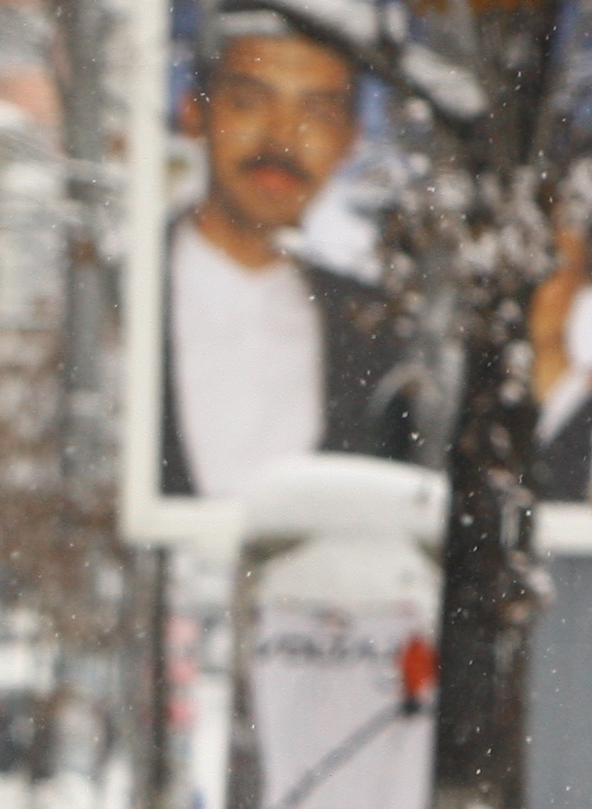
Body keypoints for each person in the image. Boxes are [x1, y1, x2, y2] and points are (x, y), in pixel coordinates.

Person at [159, 6, 418, 500]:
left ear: (350, 140)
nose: (281, 138)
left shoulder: (381, 330)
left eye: (316, 111)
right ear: (195, 113)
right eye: (249, 101)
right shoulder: (116, 298)